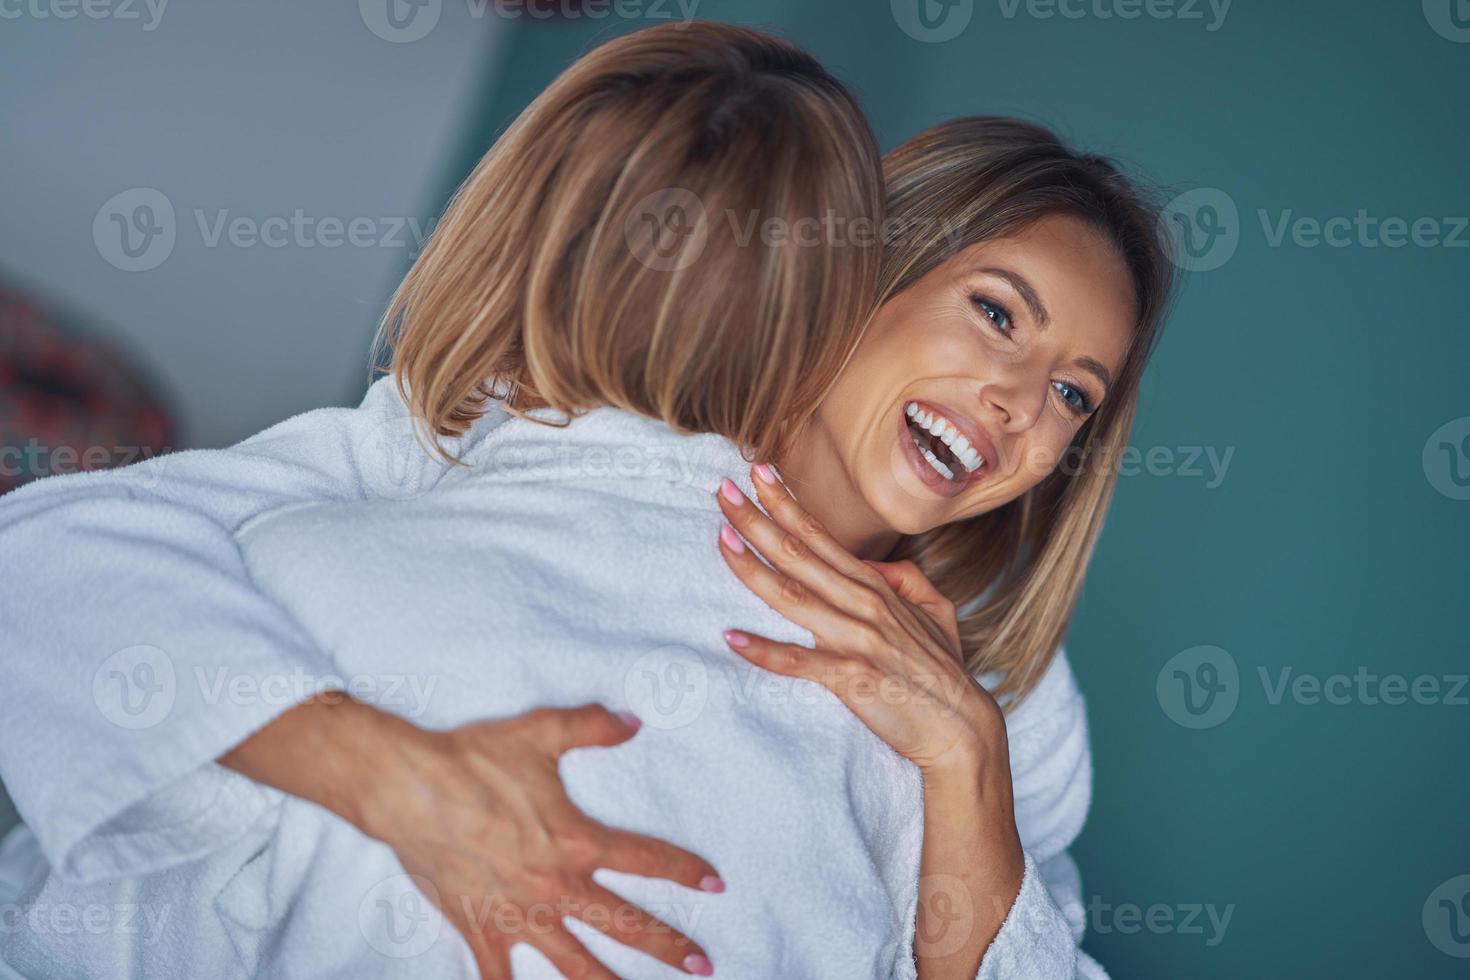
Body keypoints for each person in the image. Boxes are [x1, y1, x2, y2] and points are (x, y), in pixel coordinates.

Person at [0, 31, 1175, 980]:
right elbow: (50, 565)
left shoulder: (1007, 698)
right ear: (857, 278)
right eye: (998, 313)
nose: (1022, 401)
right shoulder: (495, 442)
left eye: (1076, 391)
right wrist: (397, 778)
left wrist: (964, 763)